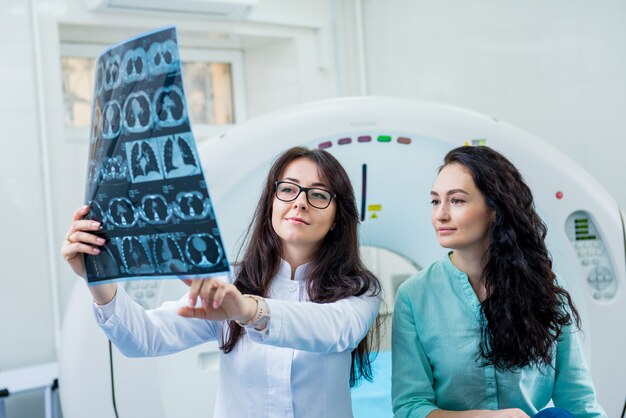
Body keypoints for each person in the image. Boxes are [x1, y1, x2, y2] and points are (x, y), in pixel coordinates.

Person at [61, 146, 382, 418]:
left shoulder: (360, 290)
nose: (299, 202)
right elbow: (144, 338)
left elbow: (336, 331)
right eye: (288, 189)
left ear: (338, 216)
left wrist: (247, 310)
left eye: (318, 194)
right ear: (272, 201)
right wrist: (96, 277)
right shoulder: (229, 282)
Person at [392, 146, 606, 418]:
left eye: (456, 201)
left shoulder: (546, 289)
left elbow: (579, 402)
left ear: (494, 209)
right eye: (435, 201)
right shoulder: (415, 296)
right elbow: (409, 408)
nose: (440, 215)